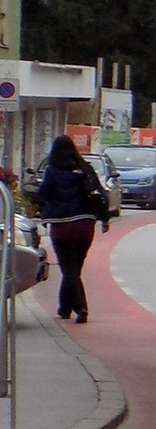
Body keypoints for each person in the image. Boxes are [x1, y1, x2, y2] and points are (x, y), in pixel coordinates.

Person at [33, 135, 110, 324]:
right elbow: (101, 194)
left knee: (69, 270)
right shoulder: (85, 169)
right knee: (75, 269)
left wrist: (42, 207)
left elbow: (42, 194)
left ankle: (81, 307)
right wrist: (104, 219)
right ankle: (64, 307)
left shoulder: (52, 171)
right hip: (85, 225)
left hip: (62, 226)